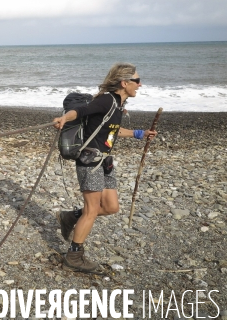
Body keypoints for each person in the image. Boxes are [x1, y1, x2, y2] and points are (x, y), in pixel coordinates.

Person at [52, 62, 157, 273]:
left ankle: (70, 216)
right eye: (136, 81)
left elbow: (113, 131)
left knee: (111, 207)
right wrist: (65, 117)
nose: (140, 84)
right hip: (90, 162)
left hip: (105, 161)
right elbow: (81, 111)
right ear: (124, 83)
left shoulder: (117, 105)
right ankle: (74, 256)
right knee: (91, 211)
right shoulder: (106, 100)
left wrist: (140, 133)